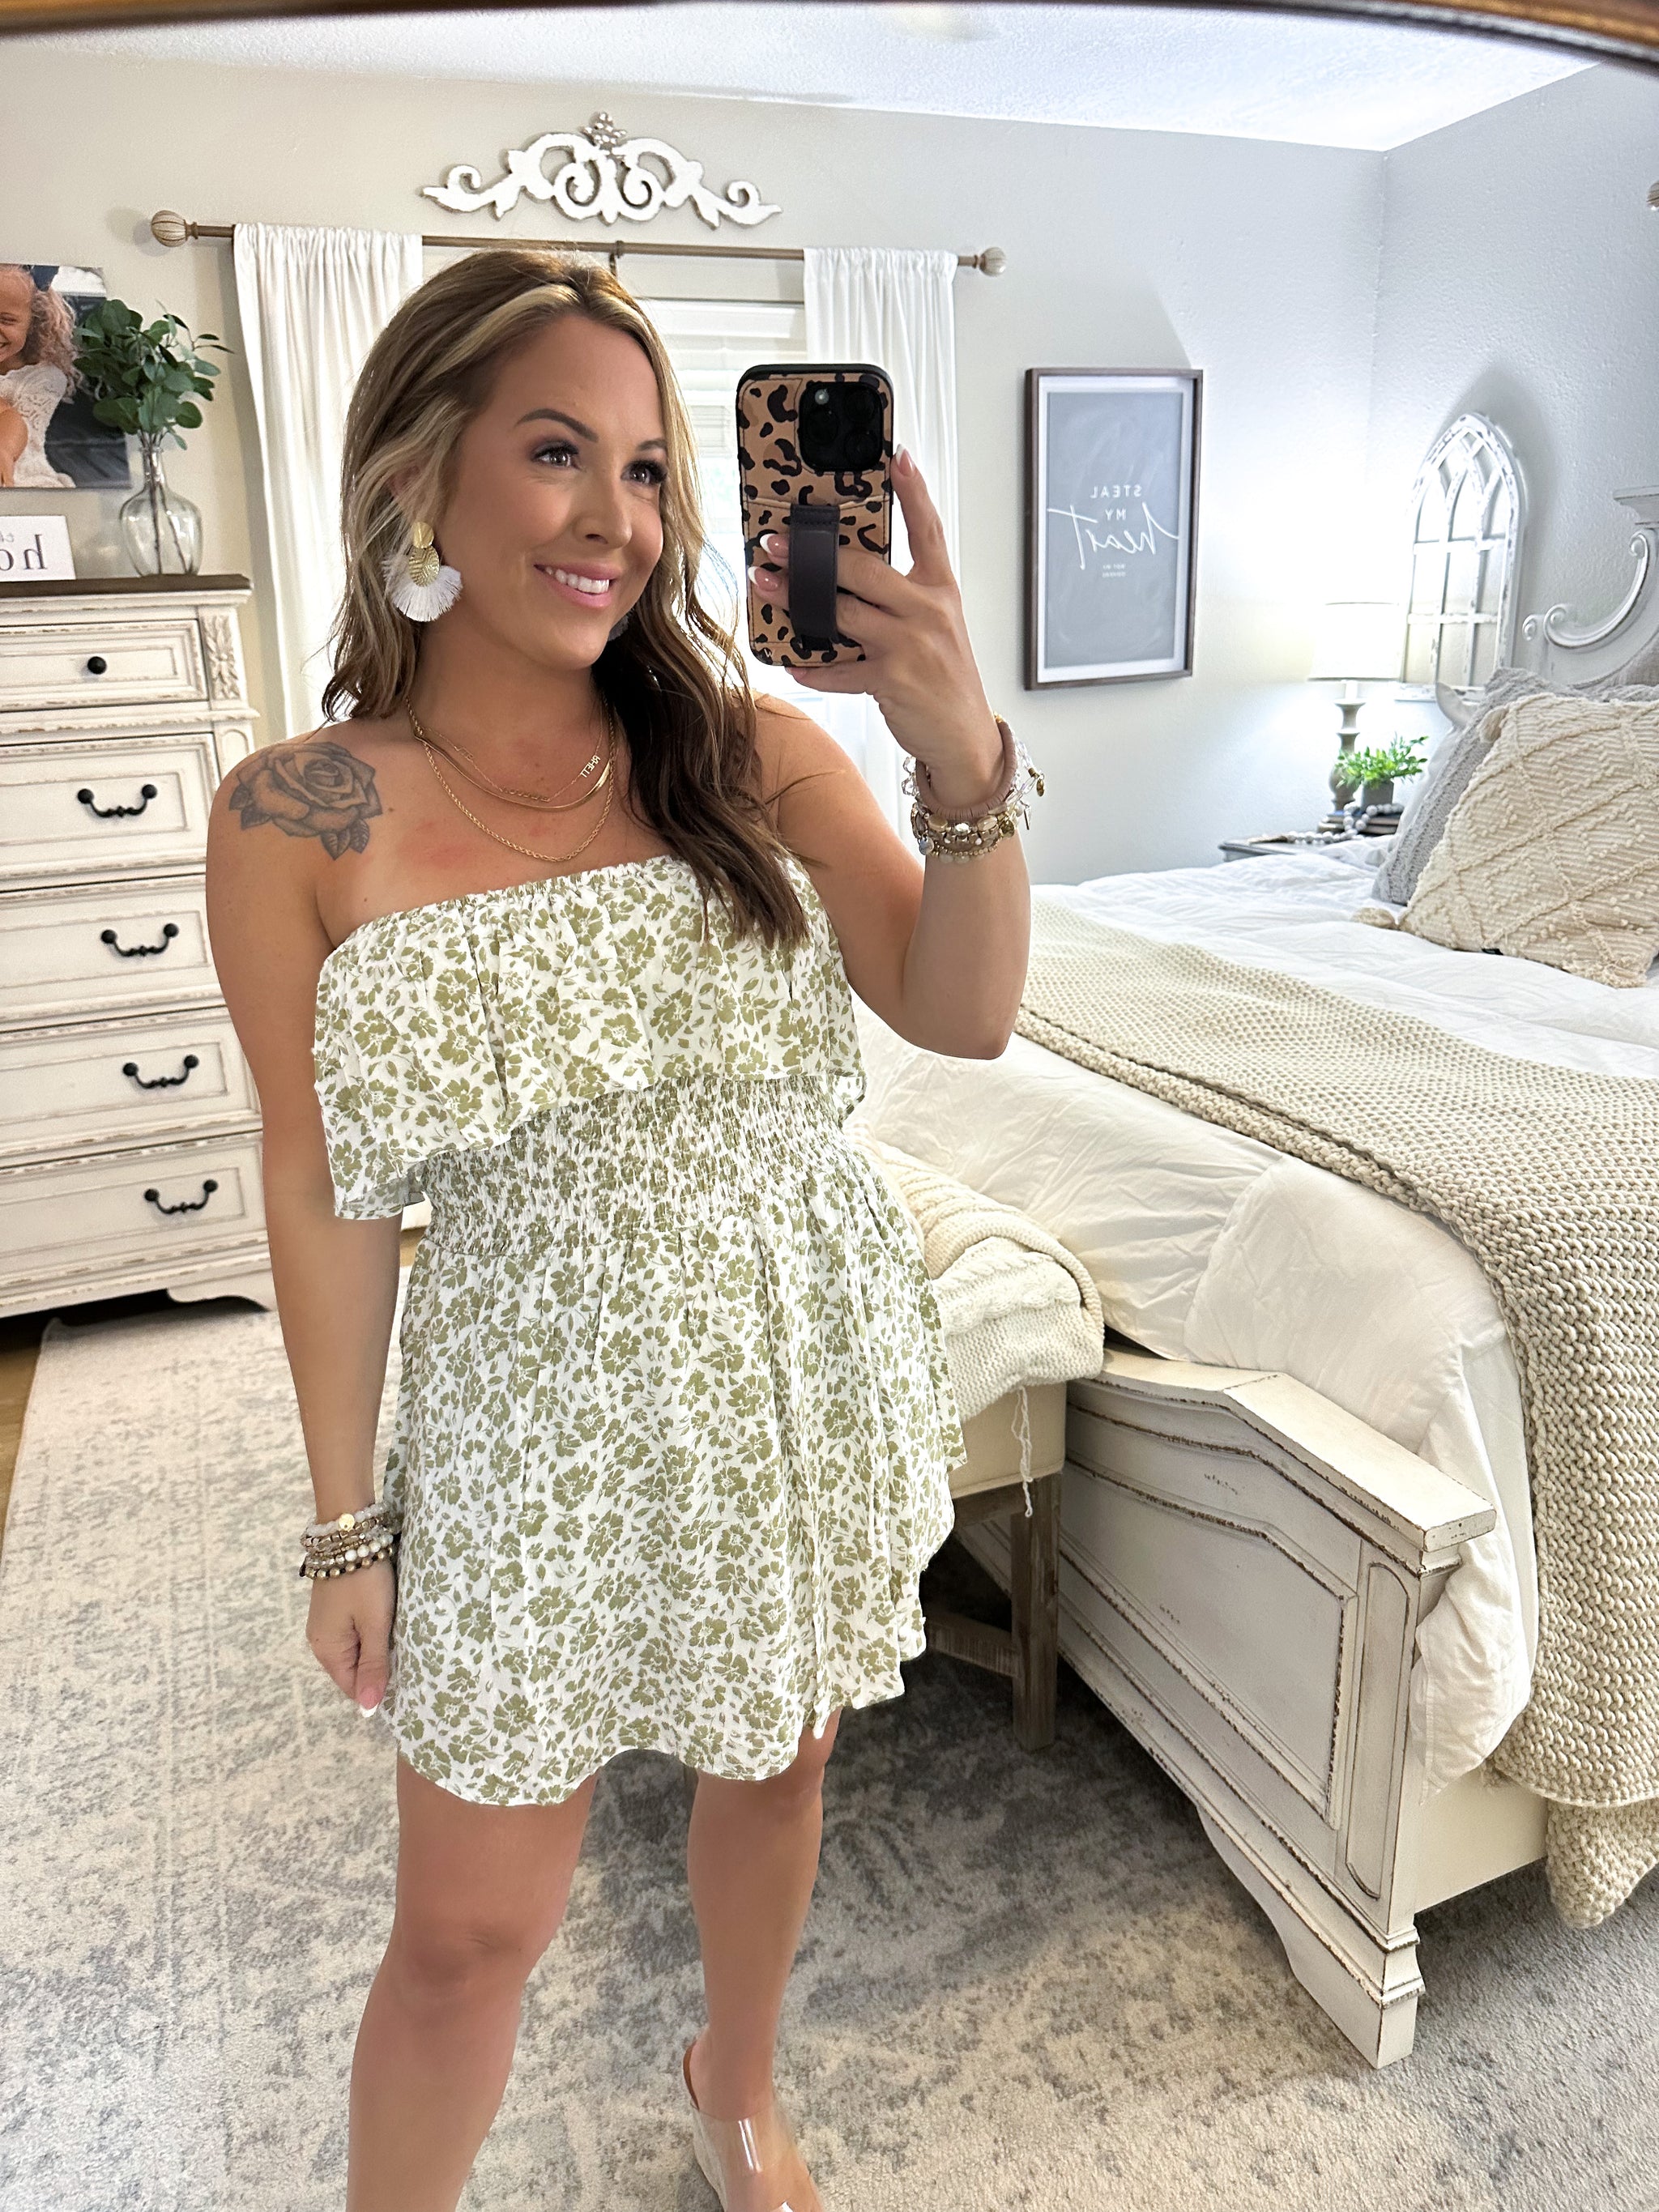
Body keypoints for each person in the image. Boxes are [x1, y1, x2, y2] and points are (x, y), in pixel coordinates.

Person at [205, 247, 1037, 2212]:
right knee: (466, 1930)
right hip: (526, 1404)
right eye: (557, 451)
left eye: (650, 469)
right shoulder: (296, 817)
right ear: (418, 472)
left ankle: (733, 2086)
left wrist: (957, 752)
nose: (615, 518)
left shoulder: (750, 756)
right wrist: (344, 1519)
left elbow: (964, 1010)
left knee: (778, 1762)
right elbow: (319, 1179)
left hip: (787, 1354)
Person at [0, 264, 78, 489]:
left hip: (20, 472)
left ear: (33, 322)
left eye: (6, 320)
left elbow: (10, 418)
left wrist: (3, 450)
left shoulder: (43, 378)